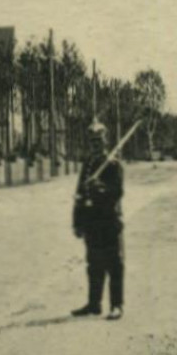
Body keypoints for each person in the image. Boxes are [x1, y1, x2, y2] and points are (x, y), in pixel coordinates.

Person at [71, 120, 125, 320]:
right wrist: (77, 222)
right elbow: (79, 194)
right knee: (93, 265)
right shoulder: (88, 165)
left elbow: (117, 192)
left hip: (109, 220)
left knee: (114, 264)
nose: (95, 144)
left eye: (99, 140)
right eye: (92, 140)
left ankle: (116, 305)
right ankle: (94, 304)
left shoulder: (113, 164)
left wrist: (99, 186)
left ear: (106, 140)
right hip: (91, 223)